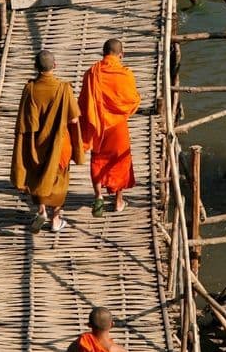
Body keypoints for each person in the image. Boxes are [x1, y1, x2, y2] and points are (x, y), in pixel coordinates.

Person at [10, 49, 84, 233]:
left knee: (39, 176)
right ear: (55, 65)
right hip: (59, 143)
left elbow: (24, 121)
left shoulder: (30, 89)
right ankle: (56, 220)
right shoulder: (63, 88)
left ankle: (41, 210)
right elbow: (74, 119)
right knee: (59, 181)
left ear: (36, 67)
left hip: (37, 144)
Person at [78, 38, 142, 217]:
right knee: (120, 162)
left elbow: (83, 102)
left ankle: (98, 195)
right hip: (118, 127)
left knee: (97, 160)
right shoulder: (126, 74)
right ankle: (118, 201)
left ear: (103, 53)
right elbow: (132, 100)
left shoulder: (91, 73)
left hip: (97, 124)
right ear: (121, 55)